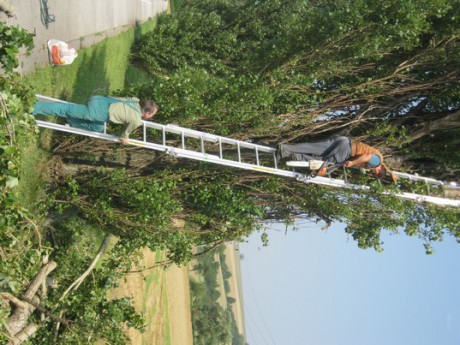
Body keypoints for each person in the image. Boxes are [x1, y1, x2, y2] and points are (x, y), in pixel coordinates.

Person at [33, 95, 158, 145]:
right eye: (152, 115)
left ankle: (71, 119)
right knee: (64, 109)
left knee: (97, 128)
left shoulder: (135, 100)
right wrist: (125, 140)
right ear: (147, 112)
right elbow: (124, 134)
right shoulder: (136, 120)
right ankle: (34, 107)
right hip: (96, 111)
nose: (151, 117)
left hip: (99, 100)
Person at [278, 136, 397, 183]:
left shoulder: (378, 161)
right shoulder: (377, 162)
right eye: (375, 173)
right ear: (379, 170)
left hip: (344, 141)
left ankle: (284, 149)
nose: (373, 173)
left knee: (314, 148)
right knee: (325, 167)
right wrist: (353, 162)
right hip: (347, 150)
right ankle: (297, 157)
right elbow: (367, 157)